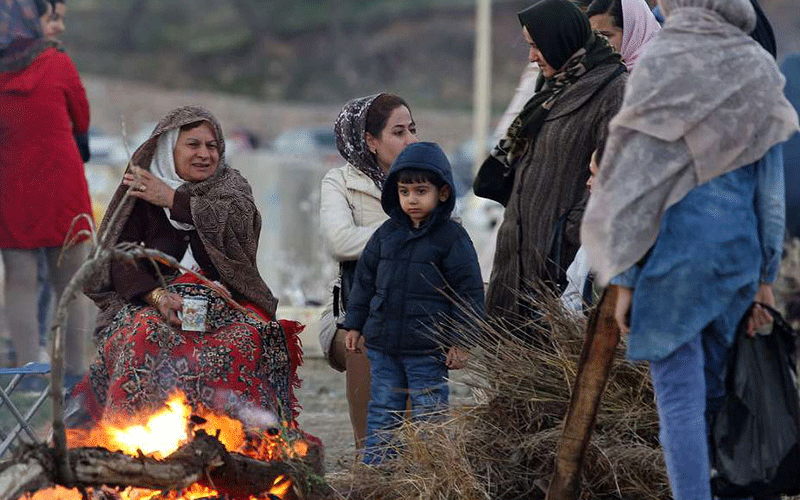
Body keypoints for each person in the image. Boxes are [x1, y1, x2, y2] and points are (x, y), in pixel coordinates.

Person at [581, 0, 798, 498]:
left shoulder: (661, 61)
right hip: (734, 258)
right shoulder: (756, 66)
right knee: (721, 388)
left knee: (679, 401)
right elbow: (770, 191)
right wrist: (765, 276)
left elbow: (635, 182)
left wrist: (626, 278)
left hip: (669, 260)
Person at [81, 106, 303, 423]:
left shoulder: (232, 189)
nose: (204, 154)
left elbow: (237, 234)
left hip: (227, 302)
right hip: (154, 303)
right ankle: (134, 429)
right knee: (145, 335)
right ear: (169, 148)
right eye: (193, 145)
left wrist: (174, 200)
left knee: (247, 339)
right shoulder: (142, 189)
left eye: (211, 146)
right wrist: (157, 296)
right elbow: (117, 258)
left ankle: (247, 433)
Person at [481, 0, 626, 326]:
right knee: (504, 348)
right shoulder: (550, 85)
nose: (532, 57)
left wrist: (569, 230)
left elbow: (611, 175)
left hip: (557, 259)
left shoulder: (611, 89)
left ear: (561, 40)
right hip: (515, 252)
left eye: (537, 46)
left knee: (547, 349)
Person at [342, 142, 484, 464]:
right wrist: (354, 324)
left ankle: (431, 473)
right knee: (383, 410)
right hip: (383, 345)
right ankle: (378, 473)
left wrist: (463, 341)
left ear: (442, 193)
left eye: (421, 191)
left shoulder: (452, 239)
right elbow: (364, 283)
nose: (412, 200)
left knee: (430, 413)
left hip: (428, 350)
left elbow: (469, 293)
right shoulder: (385, 235)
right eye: (404, 192)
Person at [318, 93, 418, 450]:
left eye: (412, 130)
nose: (411, 141)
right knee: (363, 341)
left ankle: (415, 463)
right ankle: (371, 458)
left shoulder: (426, 178)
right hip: (351, 312)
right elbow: (340, 241)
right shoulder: (340, 182)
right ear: (371, 141)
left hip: (416, 309)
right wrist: (407, 231)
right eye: (399, 132)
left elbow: (449, 239)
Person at [0, 0, 91, 386]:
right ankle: (75, 374)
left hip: (11, 187)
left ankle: (27, 375)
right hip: (61, 185)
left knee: (19, 281)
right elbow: (82, 116)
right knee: (70, 285)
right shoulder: (57, 63)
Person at [586, 0, 660, 70]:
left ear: (632, 34)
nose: (596, 42)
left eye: (605, 36)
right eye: (592, 36)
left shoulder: (656, 69)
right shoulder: (592, 69)